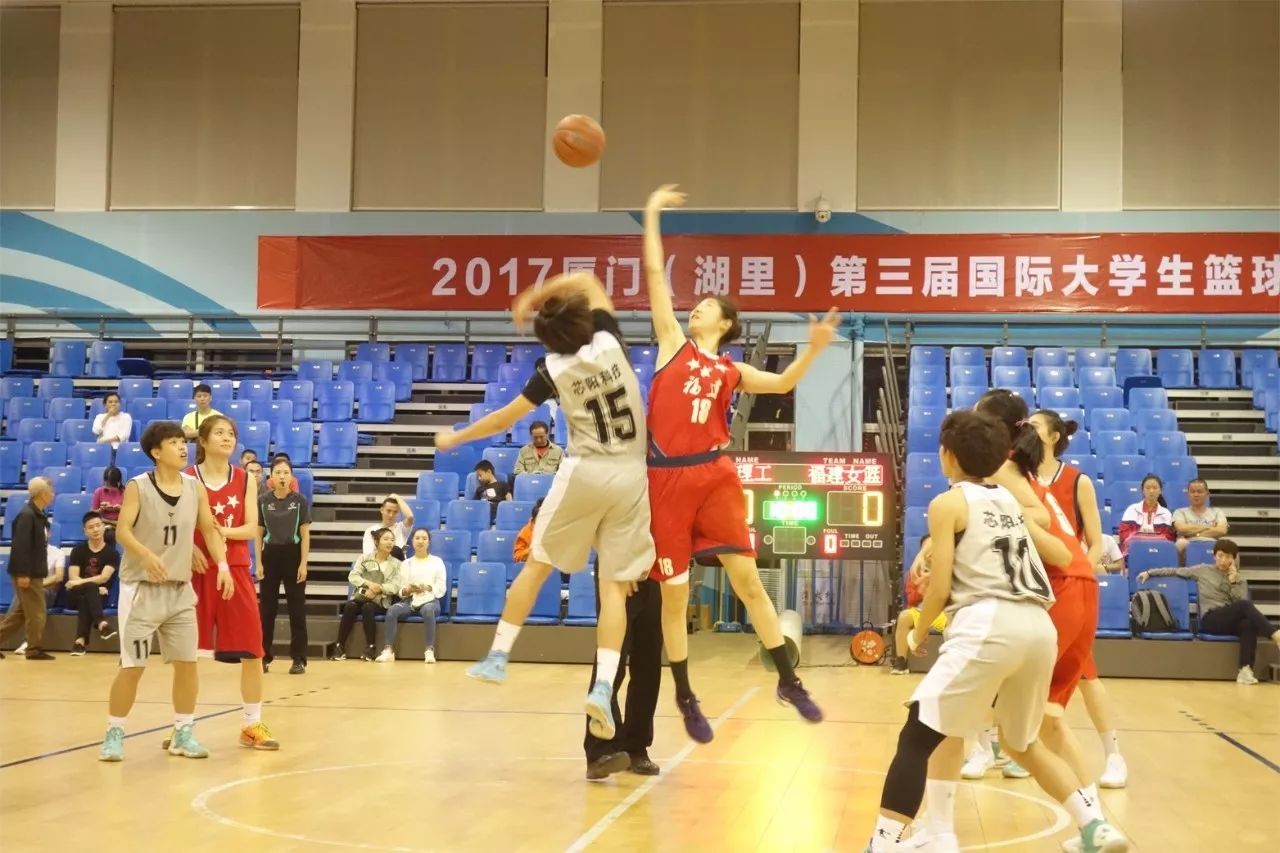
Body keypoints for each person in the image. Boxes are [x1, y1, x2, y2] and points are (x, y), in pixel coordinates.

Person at [861, 411, 1127, 853]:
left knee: (916, 733)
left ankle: (884, 843)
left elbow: (938, 589)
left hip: (989, 623)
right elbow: (1062, 551)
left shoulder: (947, 503)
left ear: (947, 455)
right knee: (1021, 744)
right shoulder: (1010, 499)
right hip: (1039, 626)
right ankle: (1094, 825)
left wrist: (918, 633)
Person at [436, 270, 655, 762]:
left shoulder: (552, 370)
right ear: (585, 321)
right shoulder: (609, 340)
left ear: (548, 340)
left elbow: (503, 418)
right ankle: (603, 686)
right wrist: (537, 295)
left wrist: (457, 437)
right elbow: (589, 279)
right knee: (615, 587)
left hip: (585, 473)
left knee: (537, 563)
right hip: (631, 477)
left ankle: (498, 655)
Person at [641, 185, 832, 736]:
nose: (694, 307)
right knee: (673, 596)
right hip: (666, 477)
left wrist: (815, 349)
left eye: (706, 306)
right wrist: (652, 212)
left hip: (716, 473)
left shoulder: (731, 369)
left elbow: (783, 383)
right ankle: (685, 694)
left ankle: (788, 679)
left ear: (724, 323)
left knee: (749, 582)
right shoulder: (672, 343)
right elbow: (654, 274)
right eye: (695, 304)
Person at [971, 395, 1108, 803]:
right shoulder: (1020, 466)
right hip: (1080, 585)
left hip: (1062, 584)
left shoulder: (1003, 467)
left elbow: (1041, 518)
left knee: (978, 681)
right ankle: (1094, 814)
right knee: (1050, 718)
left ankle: (980, 752)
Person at [99, 420, 231, 762]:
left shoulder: (195, 488)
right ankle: (114, 733)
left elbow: (209, 529)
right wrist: (146, 554)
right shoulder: (138, 486)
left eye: (182, 441)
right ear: (156, 452)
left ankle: (183, 732)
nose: (182, 447)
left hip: (179, 590)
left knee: (188, 664)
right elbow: (123, 531)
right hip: (141, 590)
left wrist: (223, 566)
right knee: (133, 666)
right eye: (174, 443)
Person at [1016, 405, 1128, 790]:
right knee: (1036, 673)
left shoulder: (1077, 480)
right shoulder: (1020, 476)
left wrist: (1083, 570)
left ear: (1053, 436)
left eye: (1033, 425)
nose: (1025, 429)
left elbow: (1095, 541)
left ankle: (1113, 755)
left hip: (1065, 585)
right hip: (1032, 587)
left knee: (1084, 675)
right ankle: (1016, 745)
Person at [179, 415, 278, 751]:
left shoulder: (245, 478)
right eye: (219, 432)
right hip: (196, 570)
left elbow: (251, 528)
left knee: (253, 649)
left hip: (234, 569)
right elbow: (175, 524)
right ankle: (182, 727)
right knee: (187, 655)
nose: (227, 438)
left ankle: (251, 724)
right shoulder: (187, 477)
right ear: (203, 440)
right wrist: (191, 546)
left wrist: (220, 532)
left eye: (231, 433)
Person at [1139, 539, 1279, 685]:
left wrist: (1232, 582)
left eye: (1228, 557)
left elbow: (1240, 604)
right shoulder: (1203, 570)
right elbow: (1175, 571)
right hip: (1211, 619)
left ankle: (1245, 670)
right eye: (1220, 555)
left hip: (1229, 619)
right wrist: (1150, 572)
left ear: (1233, 559)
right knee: (1245, 606)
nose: (1223, 560)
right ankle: (1275, 635)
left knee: (1248, 624)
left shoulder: (1240, 580)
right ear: (1214, 556)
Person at [584, 574, 663, 781]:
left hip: (656, 574)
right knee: (611, 663)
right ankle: (599, 751)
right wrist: (627, 565)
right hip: (618, 570)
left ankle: (636, 748)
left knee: (649, 664)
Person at [257, 456, 311, 674]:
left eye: (286, 473)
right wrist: (258, 562)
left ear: (291, 477)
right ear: (271, 476)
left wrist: (303, 564)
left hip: (293, 555)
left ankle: (299, 659)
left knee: (296, 611)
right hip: (270, 556)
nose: (282, 476)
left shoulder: (300, 501)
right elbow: (258, 533)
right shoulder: (262, 500)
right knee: (266, 610)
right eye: (278, 472)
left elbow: (305, 534)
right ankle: (263, 656)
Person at [0, 477, 56, 660]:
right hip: (28, 573)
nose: (53, 494)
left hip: (33, 571)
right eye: (51, 490)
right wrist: (23, 574)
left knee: (21, 613)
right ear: (43, 494)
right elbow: (20, 546)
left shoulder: (38, 514)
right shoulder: (27, 515)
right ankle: (33, 649)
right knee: (37, 612)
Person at [331, 528, 402, 661]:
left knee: (367, 607)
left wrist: (378, 588)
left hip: (381, 600)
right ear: (376, 542)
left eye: (392, 540)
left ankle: (371, 647)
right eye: (386, 539)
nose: (390, 543)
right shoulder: (364, 558)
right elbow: (353, 576)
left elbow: (395, 586)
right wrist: (368, 584)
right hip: (362, 595)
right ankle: (339, 646)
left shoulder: (397, 564)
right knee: (350, 606)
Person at [379, 529, 447, 663]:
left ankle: (429, 650)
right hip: (410, 600)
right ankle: (388, 650)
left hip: (430, 600)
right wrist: (408, 590)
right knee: (392, 610)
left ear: (429, 542)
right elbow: (400, 590)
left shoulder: (437, 562)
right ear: (412, 541)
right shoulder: (406, 563)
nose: (421, 541)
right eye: (417, 538)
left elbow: (441, 588)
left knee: (428, 610)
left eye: (424, 538)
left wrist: (427, 587)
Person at [889, 536, 946, 676]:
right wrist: (924, 588)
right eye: (926, 548)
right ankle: (901, 662)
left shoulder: (949, 567)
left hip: (945, 612)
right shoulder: (915, 571)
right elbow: (911, 597)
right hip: (922, 610)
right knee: (904, 617)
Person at [65, 511, 120, 656]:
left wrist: (87, 584)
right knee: (90, 591)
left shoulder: (112, 553)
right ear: (85, 531)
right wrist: (94, 586)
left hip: (99, 597)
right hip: (76, 595)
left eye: (98, 525)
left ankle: (80, 642)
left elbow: (104, 578)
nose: (95, 529)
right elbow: (73, 576)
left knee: (88, 598)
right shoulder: (78, 550)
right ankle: (101, 623)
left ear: (103, 527)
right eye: (91, 527)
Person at [1117, 475, 1174, 552]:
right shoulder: (1132, 509)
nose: (1151, 491)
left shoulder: (1166, 513)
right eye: (1148, 488)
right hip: (1135, 550)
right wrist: (1141, 536)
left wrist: (1150, 538)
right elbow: (1124, 534)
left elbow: (1169, 538)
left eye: (1155, 488)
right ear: (1142, 490)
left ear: (1160, 491)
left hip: (1159, 551)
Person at [1173, 478, 1229, 555]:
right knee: (1180, 543)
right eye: (1192, 492)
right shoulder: (1180, 512)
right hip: (1187, 543)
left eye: (1199, 491)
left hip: (1213, 543)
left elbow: (1222, 530)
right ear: (1188, 494)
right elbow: (1182, 529)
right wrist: (1211, 528)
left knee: (1230, 547)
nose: (1196, 495)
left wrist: (1192, 532)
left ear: (1207, 494)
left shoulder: (1217, 512)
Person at [361, 494, 414, 560]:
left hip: (399, 564)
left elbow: (410, 517)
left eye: (395, 512)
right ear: (382, 510)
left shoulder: (401, 528)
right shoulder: (370, 530)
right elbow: (368, 555)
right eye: (388, 511)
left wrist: (397, 497)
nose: (391, 515)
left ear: (398, 513)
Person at [90, 466, 125, 534]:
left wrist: (120, 508)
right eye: (106, 483)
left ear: (118, 483)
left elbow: (130, 515)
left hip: (119, 524)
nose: (107, 487)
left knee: (110, 534)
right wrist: (101, 509)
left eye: (110, 485)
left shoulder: (126, 493)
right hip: (103, 523)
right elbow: (92, 514)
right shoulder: (99, 492)